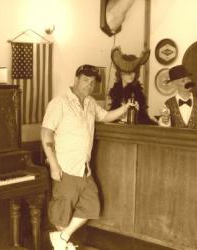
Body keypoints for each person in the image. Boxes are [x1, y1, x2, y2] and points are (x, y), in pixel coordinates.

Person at [41, 64, 137, 250]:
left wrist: (125, 108)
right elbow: (46, 133)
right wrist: (53, 164)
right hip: (65, 167)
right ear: (76, 79)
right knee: (62, 210)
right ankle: (62, 242)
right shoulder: (59, 102)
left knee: (92, 205)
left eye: (92, 83)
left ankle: (62, 237)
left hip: (84, 167)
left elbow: (106, 116)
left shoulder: (90, 102)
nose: (89, 85)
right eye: (85, 80)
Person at [108, 46, 157, 125]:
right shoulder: (114, 91)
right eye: (128, 72)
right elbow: (108, 115)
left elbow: (144, 119)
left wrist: (137, 113)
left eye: (134, 71)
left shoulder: (137, 93)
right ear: (120, 73)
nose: (132, 75)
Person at [158, 65, 197, 130]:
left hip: (194, 139)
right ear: (174, 84)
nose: (187, 82)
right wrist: (165, 121)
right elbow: (164, 129)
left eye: (188, 79)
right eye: (183, 81)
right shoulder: (168, 104)